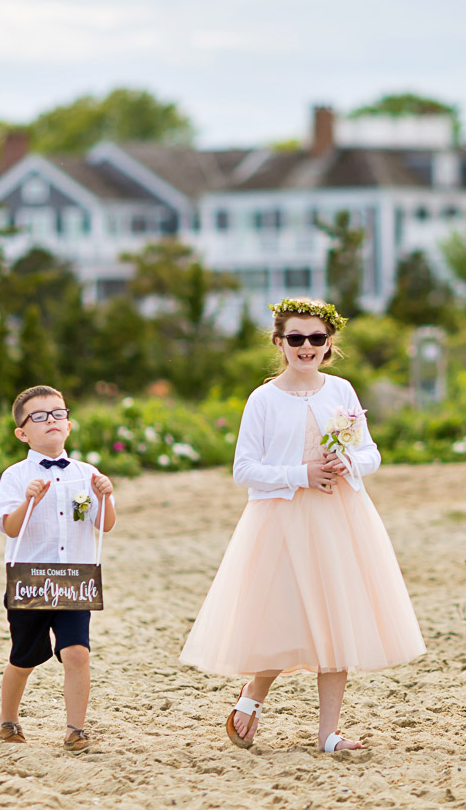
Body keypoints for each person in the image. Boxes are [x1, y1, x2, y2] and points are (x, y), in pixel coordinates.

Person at [179, 297, 425, 753]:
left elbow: (372, 454)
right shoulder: (263, 399)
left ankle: (328, 732)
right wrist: (300, 474)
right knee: (282, 612)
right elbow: (243, 469)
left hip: (340, 517)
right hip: (280, 518)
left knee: (337, 616)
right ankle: (253, 695)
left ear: (329, 343)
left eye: (316, 338)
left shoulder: (342, 390)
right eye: (296, 338)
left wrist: (348, 460)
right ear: (279, 342)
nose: (306, 346)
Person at [0, 385, 117, 752]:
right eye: (39, 416)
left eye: (58, 413)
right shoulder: (16, 476)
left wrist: (105, 496)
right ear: (22, 433)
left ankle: (75, 729)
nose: (51, 420)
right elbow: (10, 527)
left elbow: (104, 524)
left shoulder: (86, 473)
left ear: (69, 424)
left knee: (77, 652)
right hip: (31, 579)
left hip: (75, 579)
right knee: (24, 656)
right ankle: (7, 720)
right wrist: (29, 500)